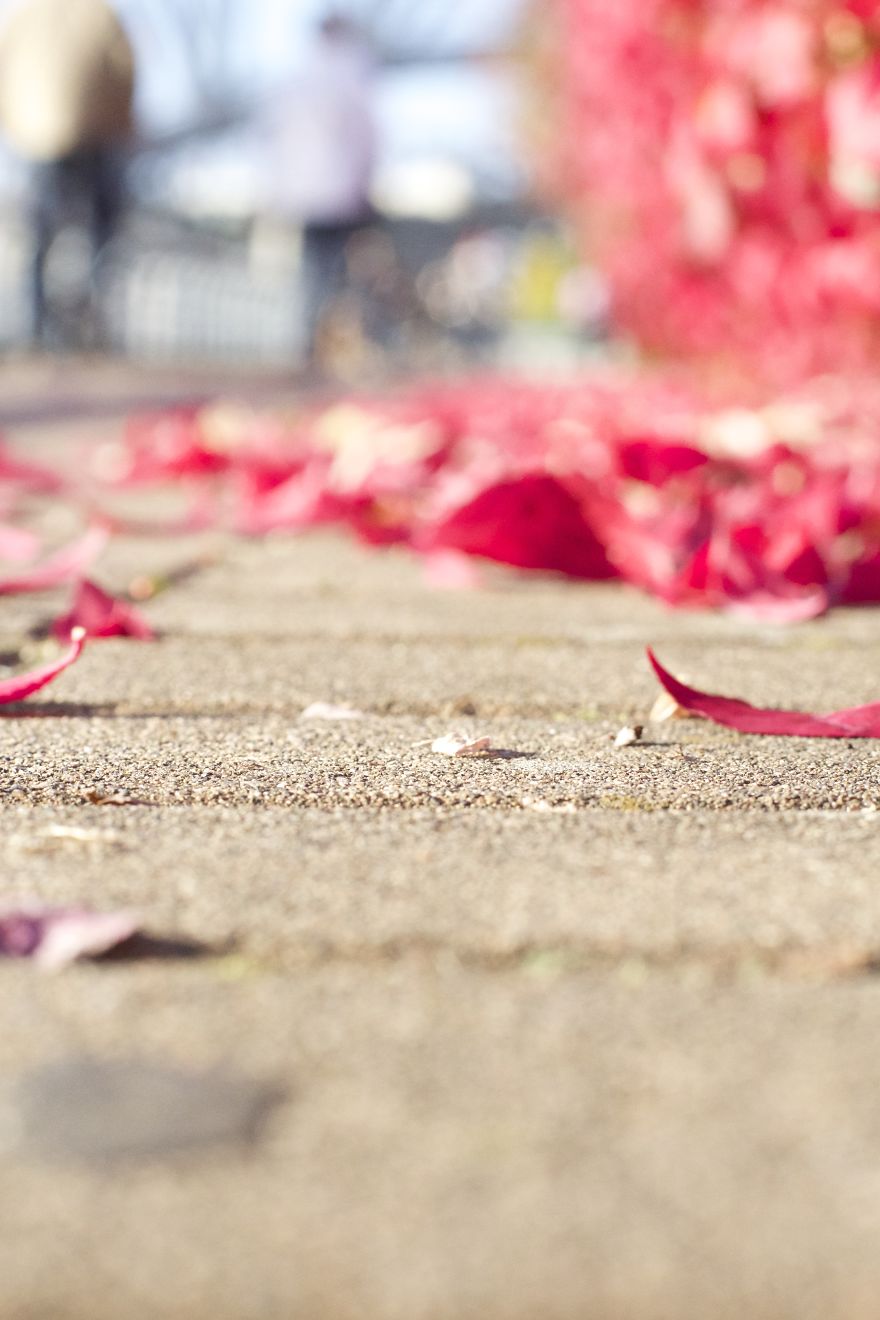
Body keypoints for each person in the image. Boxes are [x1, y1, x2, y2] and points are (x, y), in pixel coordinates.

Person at [0, 0, 135, 349]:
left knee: (39, 235)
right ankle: (89, 316)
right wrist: (122, 126)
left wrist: (16, 124)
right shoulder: (100, 13)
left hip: (37, 136)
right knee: (98, 231)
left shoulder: (24, 15)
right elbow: (123, 69)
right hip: (92, 133)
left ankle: (36, 326)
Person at [264, 11, 376, 366]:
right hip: (341, 188)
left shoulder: (296, 76)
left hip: (303, 190)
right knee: (340, 267)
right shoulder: (353, 72)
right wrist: (366, 179)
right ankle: (335, 339)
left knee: (312, 267)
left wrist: (279, 186)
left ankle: (310, 336)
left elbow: (274, 137)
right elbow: (366, 135)